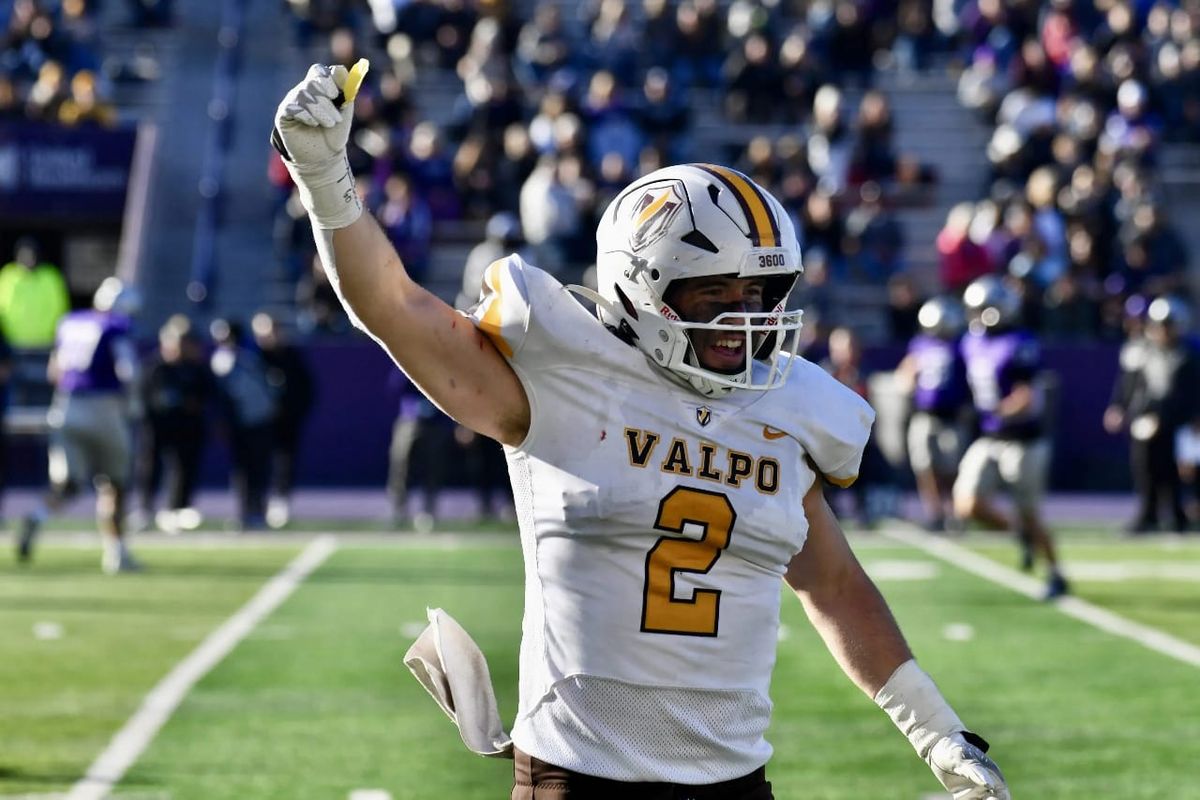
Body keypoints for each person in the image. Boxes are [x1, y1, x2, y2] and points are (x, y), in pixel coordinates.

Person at [272, 64, 1010, 799]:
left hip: (733, 785)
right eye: (714, 292)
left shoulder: (784, 410)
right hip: (579, 779)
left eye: (757, 293)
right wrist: (324, 174)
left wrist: (937, 731)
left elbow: (837, 586)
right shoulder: (563, 380)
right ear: (642, 287)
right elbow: (393, 307)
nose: (743, 318)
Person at [16, 277, 142, 573]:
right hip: (104, 407)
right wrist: (133, 405)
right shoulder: (116, 326)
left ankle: (36, 517)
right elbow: (129, 371)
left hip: (66, 406)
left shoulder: (69, 322)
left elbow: (53, 371)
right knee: (114, 484)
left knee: (68, 484)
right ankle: (116, 553)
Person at [954, 275, 1068, 599]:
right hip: (990, 437)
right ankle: (1019, 534)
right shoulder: (970, 341)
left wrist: (994, 411)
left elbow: (1026, 397)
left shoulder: (1020, 342)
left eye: (981, 309)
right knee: (966, 504)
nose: (976, 316)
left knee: (1030, 512)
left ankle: (1055, 572)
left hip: (1024, 441)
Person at [1104, 295, 1200, 533]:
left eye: (1168, 325)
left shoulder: (1189, 353)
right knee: (1145, 468)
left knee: (1177, 471)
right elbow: (1128, 384)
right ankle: (1149, 514)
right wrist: (1118, 407)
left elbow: (1190, 391)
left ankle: (1179, 516)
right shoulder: (1140, 350)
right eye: (1159, 325)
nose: (1163, 331)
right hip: (1146, 418)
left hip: (1179, 421)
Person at [895, 297, 972, 531]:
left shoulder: (962, 345)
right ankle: (935, 513)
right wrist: (908, 378)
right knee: (925, 466)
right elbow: (906, 372)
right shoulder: (919, 344)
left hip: (952, 415)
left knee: (952, 468)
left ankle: (954, 513)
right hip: (924, 414)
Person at [136, 315, 213, 533]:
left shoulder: (196, 368)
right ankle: (145, 508)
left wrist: (193, 404)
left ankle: (176, 509)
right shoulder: (154, 367)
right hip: (158, 425)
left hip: (187, 426)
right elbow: (144, 396)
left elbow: (207, 395)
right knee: (150, 466)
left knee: (184, 467)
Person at [209, 319, 276, 531]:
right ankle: (245, 512)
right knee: (242, 470)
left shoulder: (250, 358)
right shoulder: (223, 360)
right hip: (239, 422)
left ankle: (259, 511)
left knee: (258, 468)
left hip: (258, 419)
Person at [251, 312, 315, 529]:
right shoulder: (254, 357)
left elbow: (306, 388)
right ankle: (255, 505)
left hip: (287, 421)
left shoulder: (292, 357)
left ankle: (280, 502)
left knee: (285, 463)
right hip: (260, 422)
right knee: (257, 463)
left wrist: (294, 410)